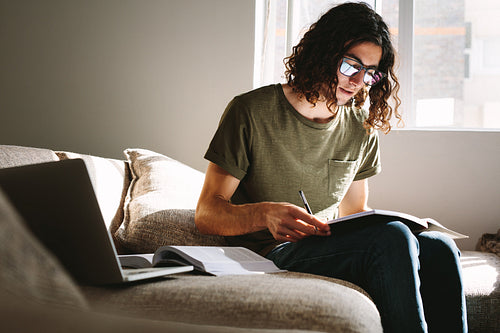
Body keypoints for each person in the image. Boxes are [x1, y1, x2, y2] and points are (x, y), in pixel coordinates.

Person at [195, 2, 467, 332]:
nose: (359, 81)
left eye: (370, 72)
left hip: (328, 246)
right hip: (275, 253)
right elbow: (207, 214)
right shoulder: (250, 111)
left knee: (440, 247)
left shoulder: (360, 123)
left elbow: (355, 211)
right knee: (392, 238)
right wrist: (263, 214)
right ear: (323, 52)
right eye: (351, 65)